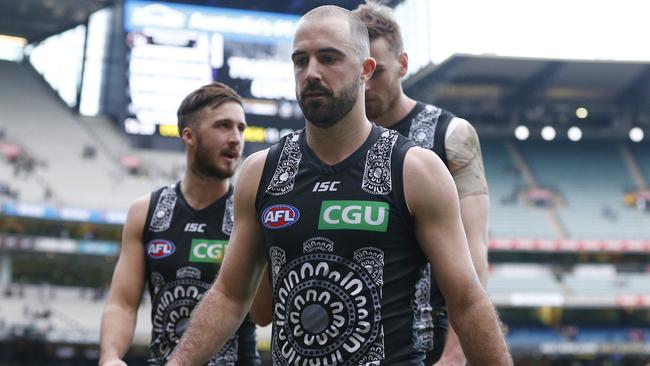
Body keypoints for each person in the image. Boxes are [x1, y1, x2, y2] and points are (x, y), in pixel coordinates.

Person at [167, 6, 511, 365]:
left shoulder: (416, 169)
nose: (311, 72)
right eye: (301, 61)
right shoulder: (261, 172)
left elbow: (467, 300)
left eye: (329, 58)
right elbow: (229, 296)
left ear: (366, 70)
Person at [353, 2, 491, 365]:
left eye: (377, 71)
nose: (365, 84)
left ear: (402, 64)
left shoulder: (451, 136)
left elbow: (474, 252)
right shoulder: (329, 144)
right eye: (358, 72)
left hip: (429, 345)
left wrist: (455, 353)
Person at [99, 82, 260, 366]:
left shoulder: (249, 212)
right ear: (189, 136)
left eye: (241, 128)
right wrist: (110, 356)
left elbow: (263, 311)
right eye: (223, 126)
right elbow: (122, 303)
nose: (236, 138)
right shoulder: (145, 212)